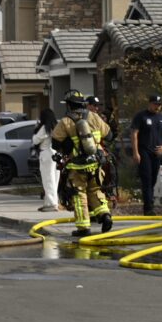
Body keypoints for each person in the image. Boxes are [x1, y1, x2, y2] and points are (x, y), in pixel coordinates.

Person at [52, 90, 113, 236]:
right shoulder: (94, 116)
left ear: (69, 105)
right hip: (96, 164)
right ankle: (105, 215)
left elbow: (55, 143)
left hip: (77, 167)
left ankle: (83, 228)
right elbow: (109, 135)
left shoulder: (65, 121)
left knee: (79, 196)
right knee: (96, 191)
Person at [130, 94, 162, 216]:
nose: (157, 106)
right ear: (150, 103)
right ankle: (148, 208)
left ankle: (149, 203)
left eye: (159, 105)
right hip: (144, 152)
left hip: (157, 153)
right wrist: (135, 152)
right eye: (155, 104)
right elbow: (134, 134)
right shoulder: (141, 116)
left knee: (153, 179)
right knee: (146, 179)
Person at [31, 108, 61, 211]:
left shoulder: (44, 128)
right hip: (56, 154)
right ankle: (51, 202)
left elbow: (35, 140)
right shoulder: (56, 126)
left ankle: (52, 204)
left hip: (46, 154)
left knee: (48, 180)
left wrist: (35, 130)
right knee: (55, 180)